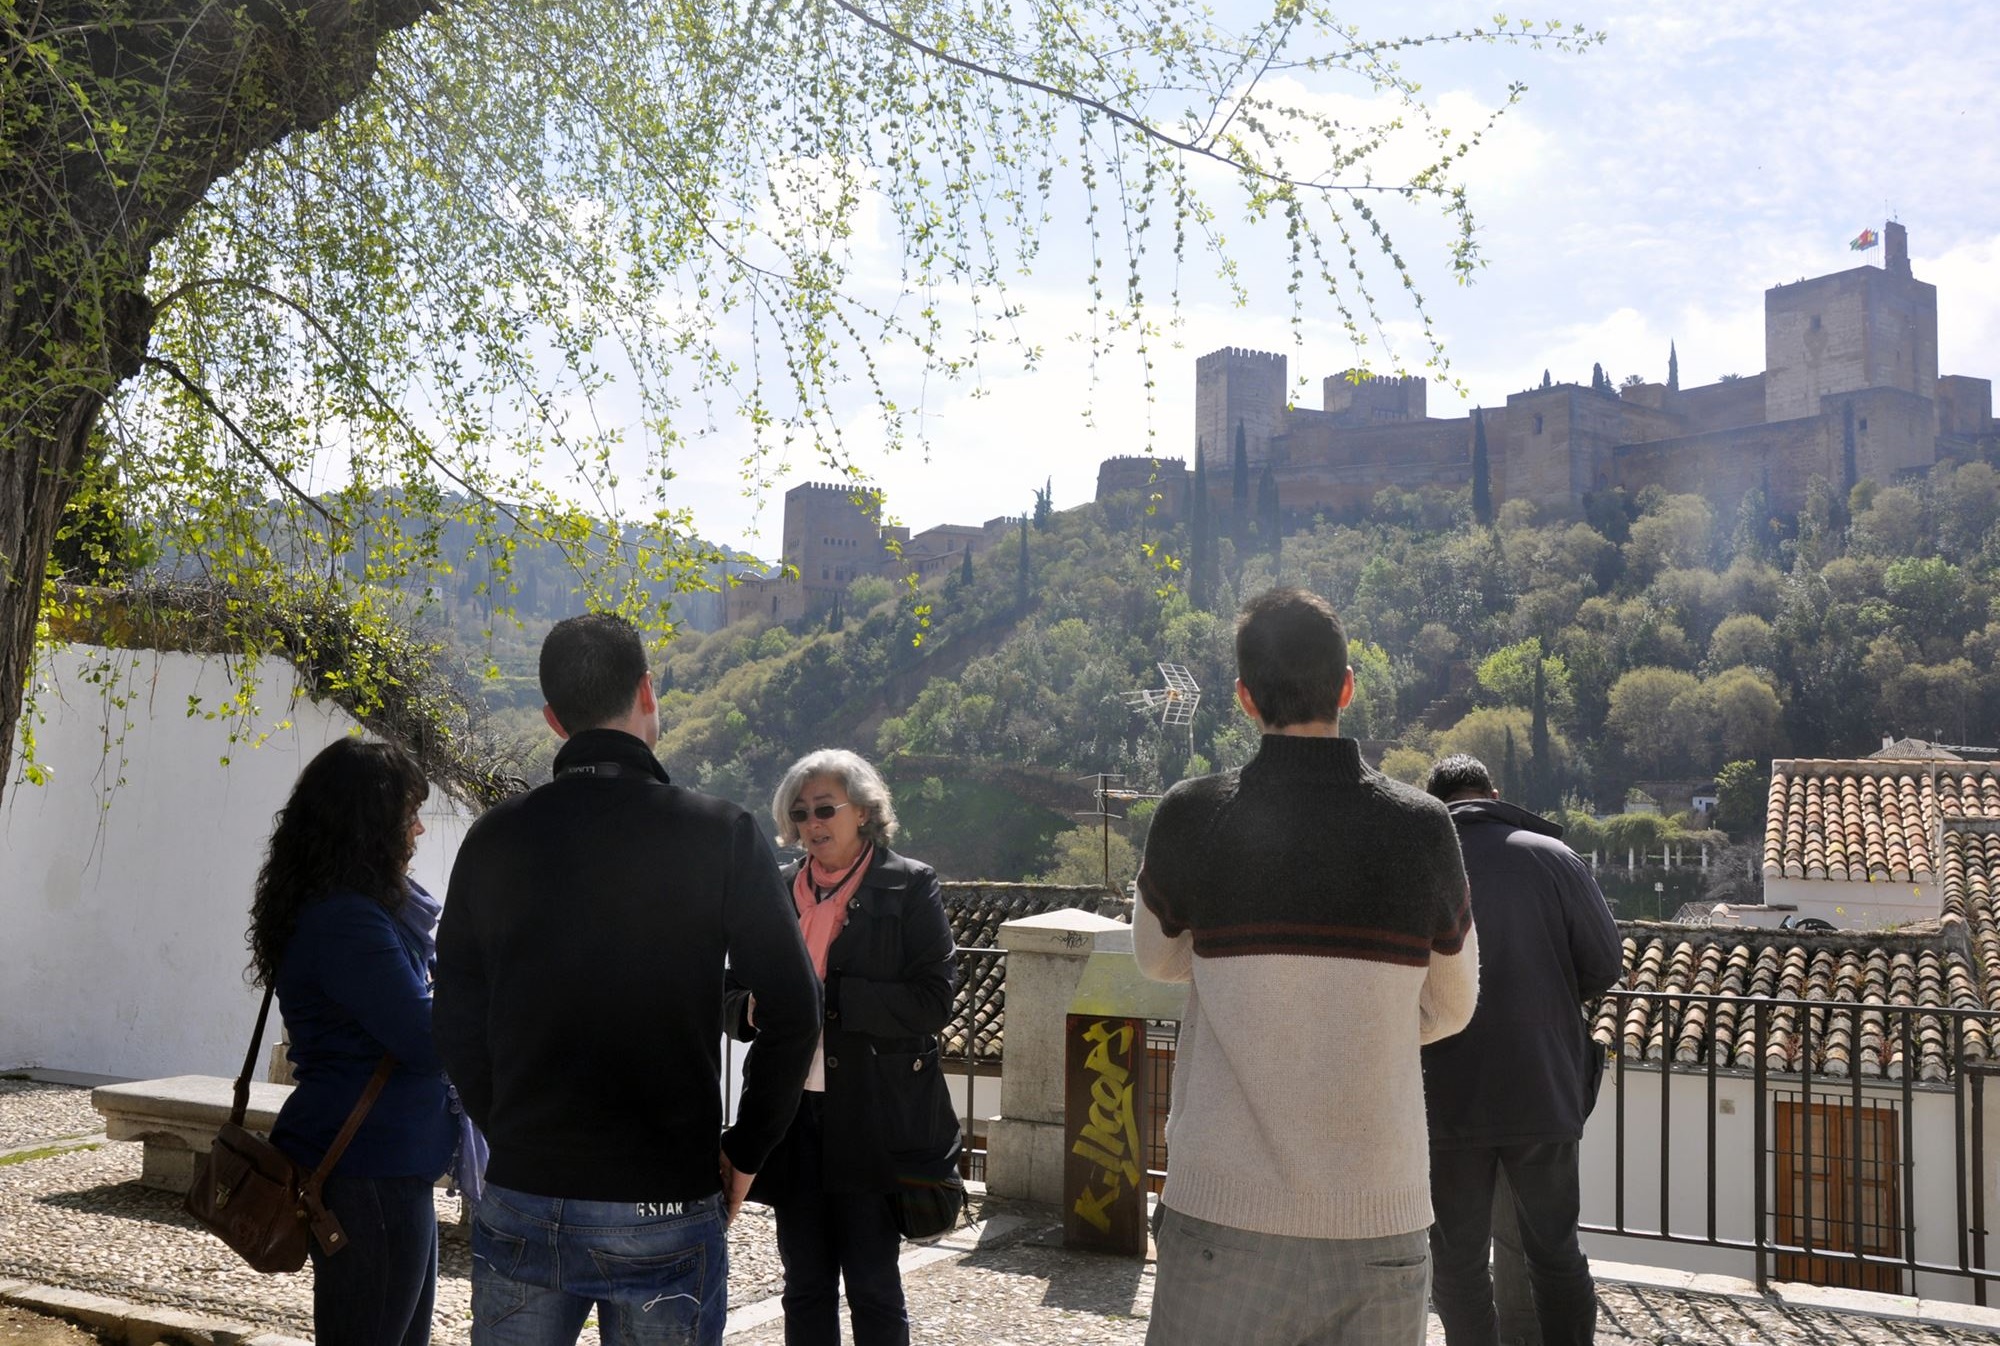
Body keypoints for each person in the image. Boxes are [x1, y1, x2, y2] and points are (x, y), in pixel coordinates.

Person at [435, 612, 821, 1346]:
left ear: (552, 719)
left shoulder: (496, 838)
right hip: (665, 1199)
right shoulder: (720, 834)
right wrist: (745, 1151)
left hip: (524, 1188)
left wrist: (508, 1126)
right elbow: (797, 1011)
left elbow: (453, 1014)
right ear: (648, 690)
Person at [1134, 587, 1480, 1346]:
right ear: (1348, 686)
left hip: (1224, 1210)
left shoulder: (1191, 814)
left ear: (1243, 698)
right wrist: (1358, 1022)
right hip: (1378, 1218)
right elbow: (1452, 1007)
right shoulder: (1424, 829)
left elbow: (1157, 959)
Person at [727, 749, 960, 1346]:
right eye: (801, 813)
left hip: (872, 1115)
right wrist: (751, 1007)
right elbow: (728, 995)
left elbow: (935, 1000)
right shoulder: (777, 891)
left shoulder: (909, 885)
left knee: (873, 1287)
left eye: (825, 809)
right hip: (790, 1115)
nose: (812, 824)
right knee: (803, 1287)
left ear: (864, 812)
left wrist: (829, 1001)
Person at [253, 738, 454, 1346]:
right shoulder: (347, 920)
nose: (418, 829)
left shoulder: (346, 908)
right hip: (370, 1166)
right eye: (406, 814)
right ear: (368, 826)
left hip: (380, 1161)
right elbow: (426, 1038)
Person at [1420, 753, 1623, 1346]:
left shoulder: (1417, 862)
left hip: (1444, 1092)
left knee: (1455, 1261)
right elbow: (1604, 964)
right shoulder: (1554, 857)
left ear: (1434, 803)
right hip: (1542, 1087)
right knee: (1555, 1252)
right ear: (1493, 792)